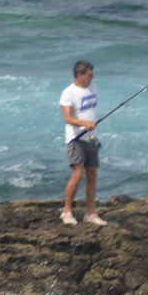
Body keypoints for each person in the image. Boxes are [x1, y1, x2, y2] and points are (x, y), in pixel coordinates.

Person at [59, 60, 107, 226]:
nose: (92, 78)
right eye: (89, 75)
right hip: (76, 138)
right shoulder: (68, 93)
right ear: (79, 75)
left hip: (92, 138)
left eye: (92, 75)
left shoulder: (93, 88)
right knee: (78, 174)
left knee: (92, 174)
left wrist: (91, 125)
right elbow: (68, 118)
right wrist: (84, 124)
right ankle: (67, 212)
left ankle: (90, 213)